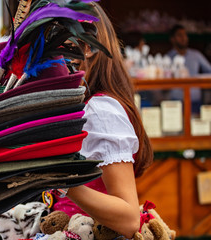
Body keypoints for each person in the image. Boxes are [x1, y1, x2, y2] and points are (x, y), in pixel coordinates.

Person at [52, 3, 153, 239]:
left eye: (59, 42)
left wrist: (61, 180)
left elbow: (129, 219)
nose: (51, 55)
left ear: (87, 47)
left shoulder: (99, 109)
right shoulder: (88, 103)